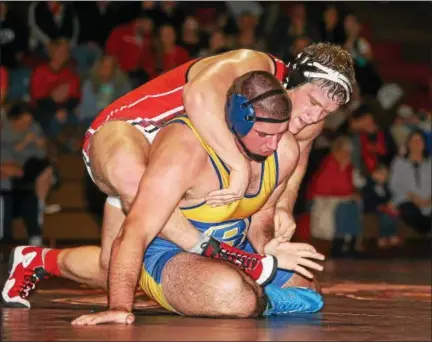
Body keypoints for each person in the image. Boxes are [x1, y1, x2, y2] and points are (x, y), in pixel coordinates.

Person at [3, 44, 355, 307]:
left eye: (327, 111)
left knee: (113, 268)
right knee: (134, 181)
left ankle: (37, 260)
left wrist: (282, 208)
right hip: (133, 131)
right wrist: (236, 167)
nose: (314, 115)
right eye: (312, 101)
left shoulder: (304, 116)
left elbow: (297, 161)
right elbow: (198, 95)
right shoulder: (253, 65)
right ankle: (228, 256)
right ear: (293, 77)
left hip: (180, 169)